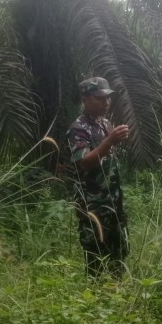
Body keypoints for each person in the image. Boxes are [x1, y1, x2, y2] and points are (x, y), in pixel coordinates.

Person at [64, 77, 130, 277]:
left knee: (118, 254)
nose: (106, 103)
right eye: (99, 98)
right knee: (95, 259)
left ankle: (117, 298)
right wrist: (109, 141)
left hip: (113, 202)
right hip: (93, 204)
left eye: (108, 98)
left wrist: (113, 139)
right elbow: (84, 162)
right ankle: (95, 302)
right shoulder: (78, 129)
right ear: (85, 99)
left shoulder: (105, 124)